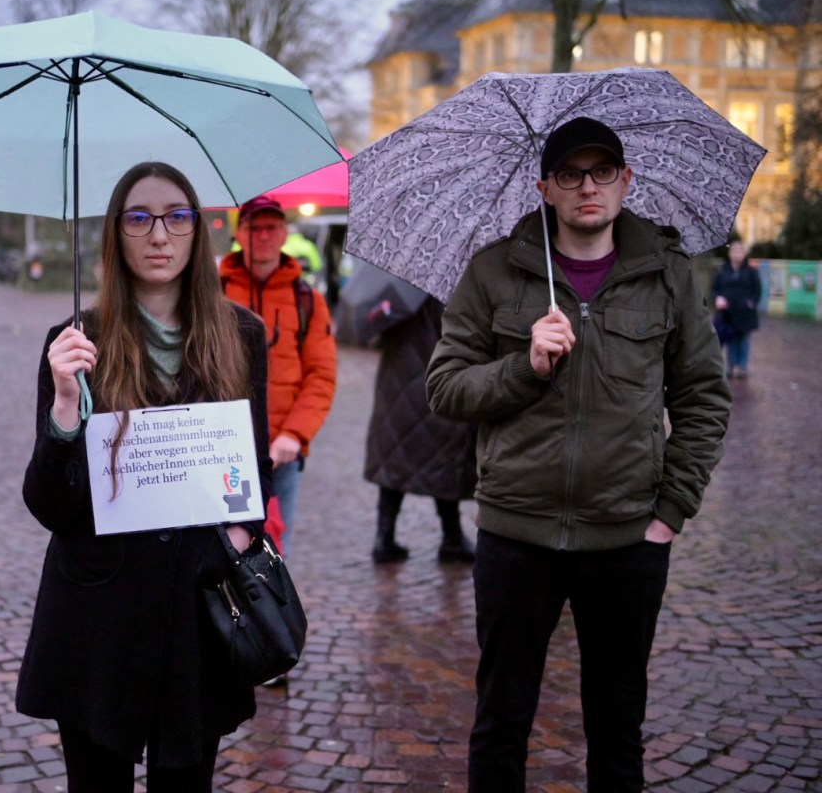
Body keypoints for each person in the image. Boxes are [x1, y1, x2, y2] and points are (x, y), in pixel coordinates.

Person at [426, 117, 731, 792]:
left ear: (626, 181)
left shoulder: (668, 275)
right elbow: (444, 388)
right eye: (569, 173)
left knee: (618, 729)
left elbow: (704, 398)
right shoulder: (494, 271)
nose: (587, 186)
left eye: (602, 171)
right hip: (515, 535)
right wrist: (525, 365)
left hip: (627, 540)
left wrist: (669, 513)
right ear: (545, 188)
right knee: (500, 723)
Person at [15, 161, 274, 793]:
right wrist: (65, 408)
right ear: (115, 232)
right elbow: (49, 505)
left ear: (198, 230)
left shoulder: (240, 336)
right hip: (98, 612)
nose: (159, 235)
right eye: (139, 218)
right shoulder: (75, 343)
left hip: (195, 611)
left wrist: (235, 538)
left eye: (176, 217)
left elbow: (254, 470)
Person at [219, 195, 337, 557]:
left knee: (273, 552)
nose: (263, 235)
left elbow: (321, 375)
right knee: (218, 552)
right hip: (223, 450)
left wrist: (294, 435)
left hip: (282, 454)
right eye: (254, 227)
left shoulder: (307, 300)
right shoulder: (212, 293)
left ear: (285, 233)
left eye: (272, 227)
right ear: (240, 233)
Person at [364, 296, 477, 564]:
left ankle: (384, 538)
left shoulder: (395, 291)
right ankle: (452, 538)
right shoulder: (447, 291)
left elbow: (376, 333)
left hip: (395, 384)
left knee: (393, 460)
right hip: (433, 385)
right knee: (443, 461)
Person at [712, 239, 761, 378]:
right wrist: (718, 298)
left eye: (740, 251)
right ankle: (731, 366)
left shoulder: (751, 272)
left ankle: (742, 367)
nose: (737, 254)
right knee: (731, 340)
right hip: (728, 313)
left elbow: (757, 290)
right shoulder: (722, 271)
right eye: (735, 251)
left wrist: (751, 302)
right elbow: (715, 288)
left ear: (745, 254)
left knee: (744, 340)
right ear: (730, 253)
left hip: (745, 313)